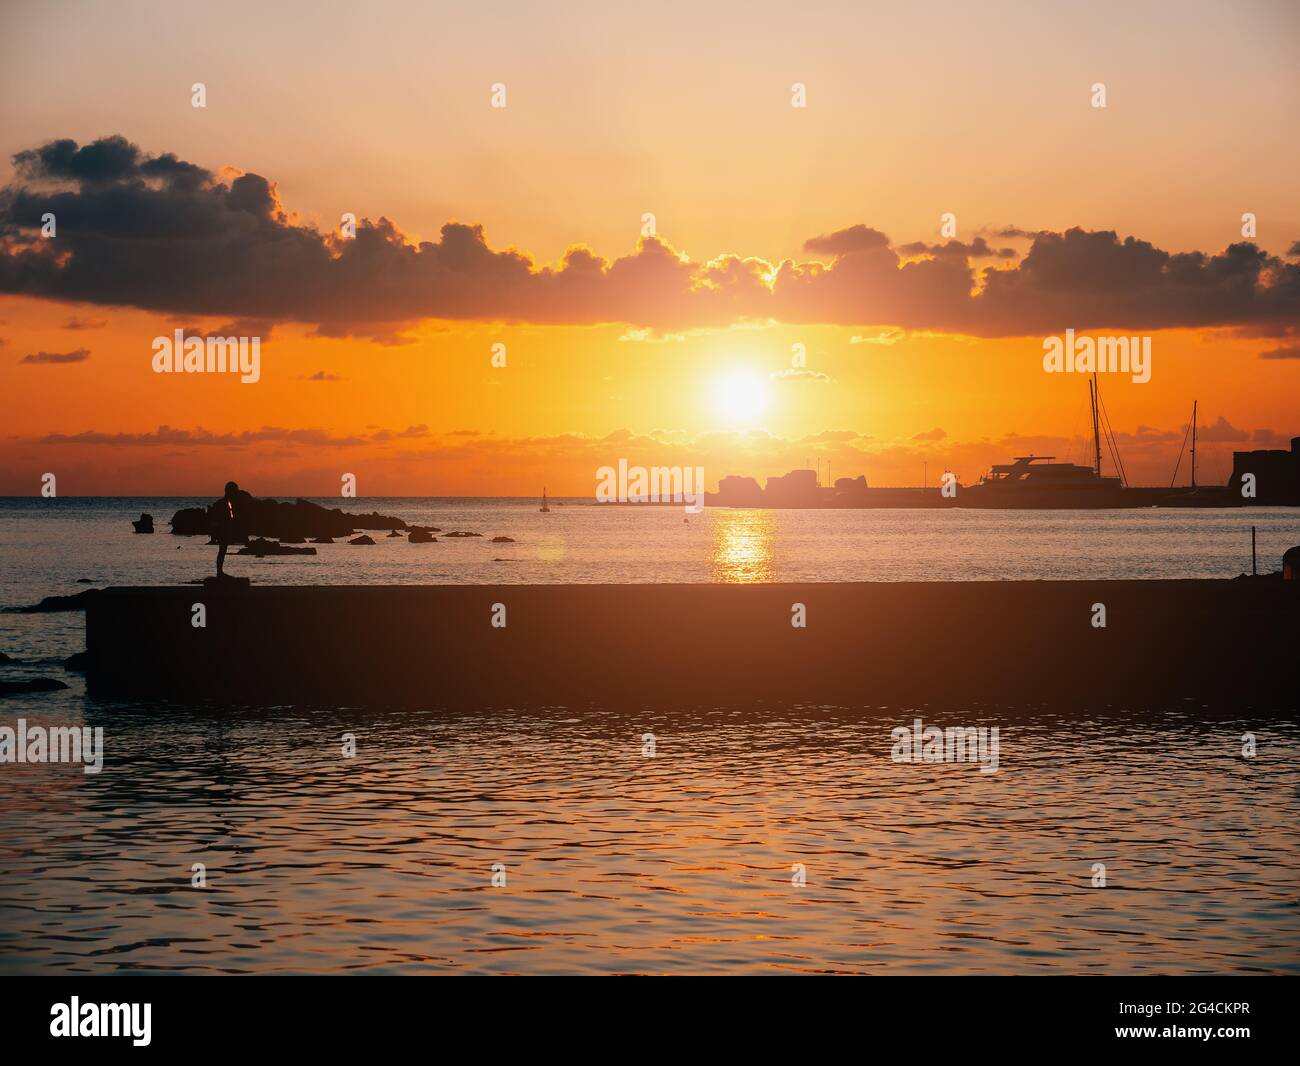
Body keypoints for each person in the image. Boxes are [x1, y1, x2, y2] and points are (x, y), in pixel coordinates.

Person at [210, 481, 242, 578]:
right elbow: (219, 519)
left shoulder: (227, 503)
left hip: (224, 530)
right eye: (235, 491)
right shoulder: (224, 503)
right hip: (222, 530)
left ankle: (220, 572)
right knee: (222, 551)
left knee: (222, 551)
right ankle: (219, 572)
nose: (236, 493)